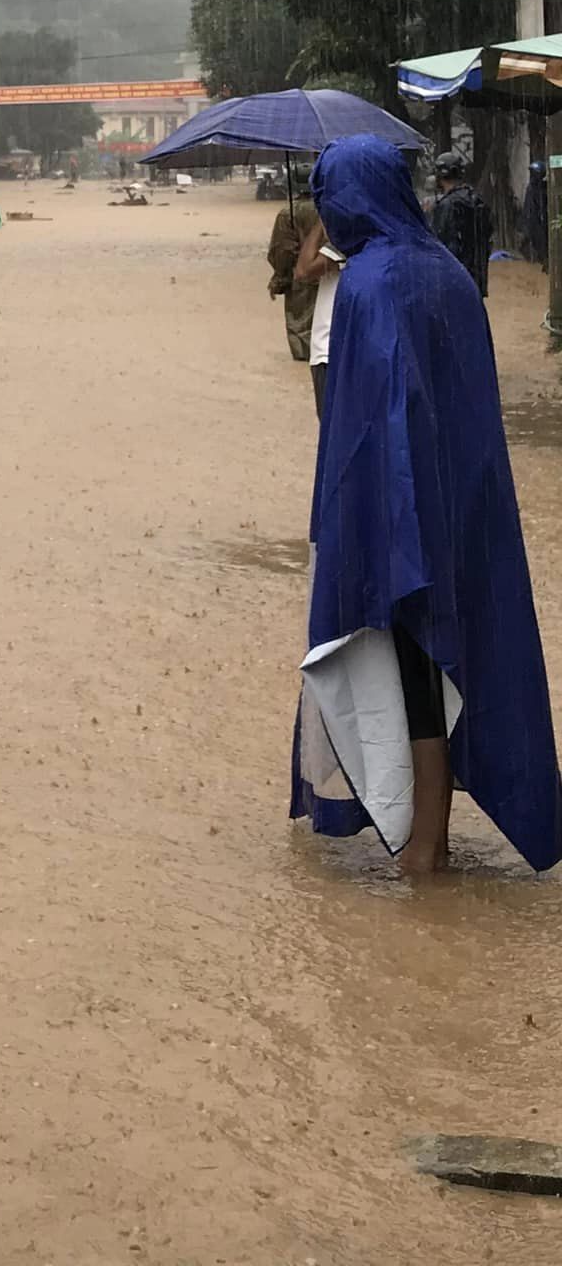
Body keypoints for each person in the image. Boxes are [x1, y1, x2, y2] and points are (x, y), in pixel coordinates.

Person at [291, 134, 562, 875]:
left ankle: (426, 844)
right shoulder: (445, 271)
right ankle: (430, 834)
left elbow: (359, 426)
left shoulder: (370, 283)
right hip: (462, 496)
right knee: (457, 639)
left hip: (394, 503)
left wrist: (360, 526)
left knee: (410, 657)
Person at [293, 209, 343, 419]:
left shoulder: (346, 243)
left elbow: (302, 271)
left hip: (329, 351)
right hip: (351, 348)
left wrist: (321, 224)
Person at [265, 180, 316, 365]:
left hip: (300, 281)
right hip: (334, 275)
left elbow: (282, 251)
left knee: (302, 341)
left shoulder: (288, 214)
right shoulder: (334, 208)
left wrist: (279, 278)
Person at [429, 146, 492, 296]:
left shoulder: (447, 205)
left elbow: (439, 242)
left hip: (453, 280)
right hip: (476, 279)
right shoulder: (476, 201)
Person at [521, 158, 549, 268]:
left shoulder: (544, 188)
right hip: (531, 220)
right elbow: (528, 206)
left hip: (540, 221)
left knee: (542, 242)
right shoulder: (531, 188)